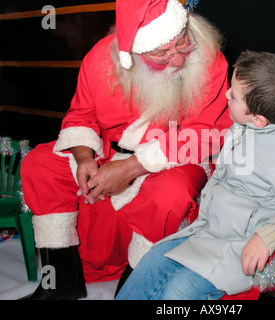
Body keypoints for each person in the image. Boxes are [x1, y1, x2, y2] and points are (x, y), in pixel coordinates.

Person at [20, 0, 232, 300]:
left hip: (177, 156)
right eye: (161, 54)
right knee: (38, 163)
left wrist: (132, 167)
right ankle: (61, 282)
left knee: (173, 190)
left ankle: (134, 287)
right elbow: (81, 115)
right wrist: (84, 157)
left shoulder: (208, 57)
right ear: (133, 54)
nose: (178, 61)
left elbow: (209, 133)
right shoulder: (101, 58)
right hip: (110, 150)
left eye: (182, 43)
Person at [115, 51, 275, 300]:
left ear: (259, 119)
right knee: (151, 262)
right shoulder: (243, 126)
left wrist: (269, 236)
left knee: (180, 290)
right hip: (209, 229)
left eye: (234, 95)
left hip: (241, 247)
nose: (226, 95)